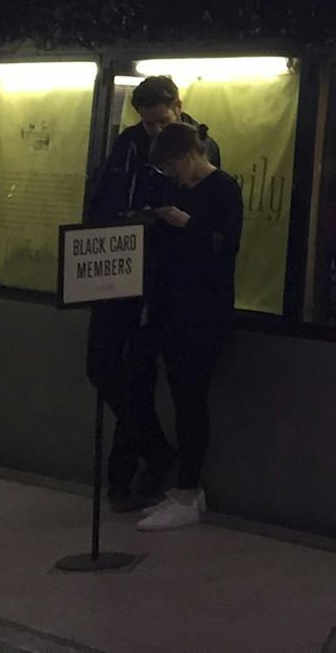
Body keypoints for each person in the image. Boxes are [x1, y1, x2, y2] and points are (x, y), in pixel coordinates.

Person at [86, 75, 221, 513]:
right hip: (122, 267)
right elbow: (104, 201)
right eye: (149, 124)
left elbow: (208, 220)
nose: (156, 132)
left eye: (163, 122)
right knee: (104, 367)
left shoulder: (201, 148)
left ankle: (128, 474)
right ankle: (152, 451)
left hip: (162, 277)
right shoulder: (128, 145)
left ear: (179, 107)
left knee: (137, 374)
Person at [131, 122, 243, 531]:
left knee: (191, 402)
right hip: (172, 309)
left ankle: (187, 489)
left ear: (187, 155)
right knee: (179, 398)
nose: (171, 175)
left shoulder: (223, 188)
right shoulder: (177, 190)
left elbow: (225, 246)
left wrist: (186, 224)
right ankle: (185, 490)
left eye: (171, 166)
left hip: (203, 313)